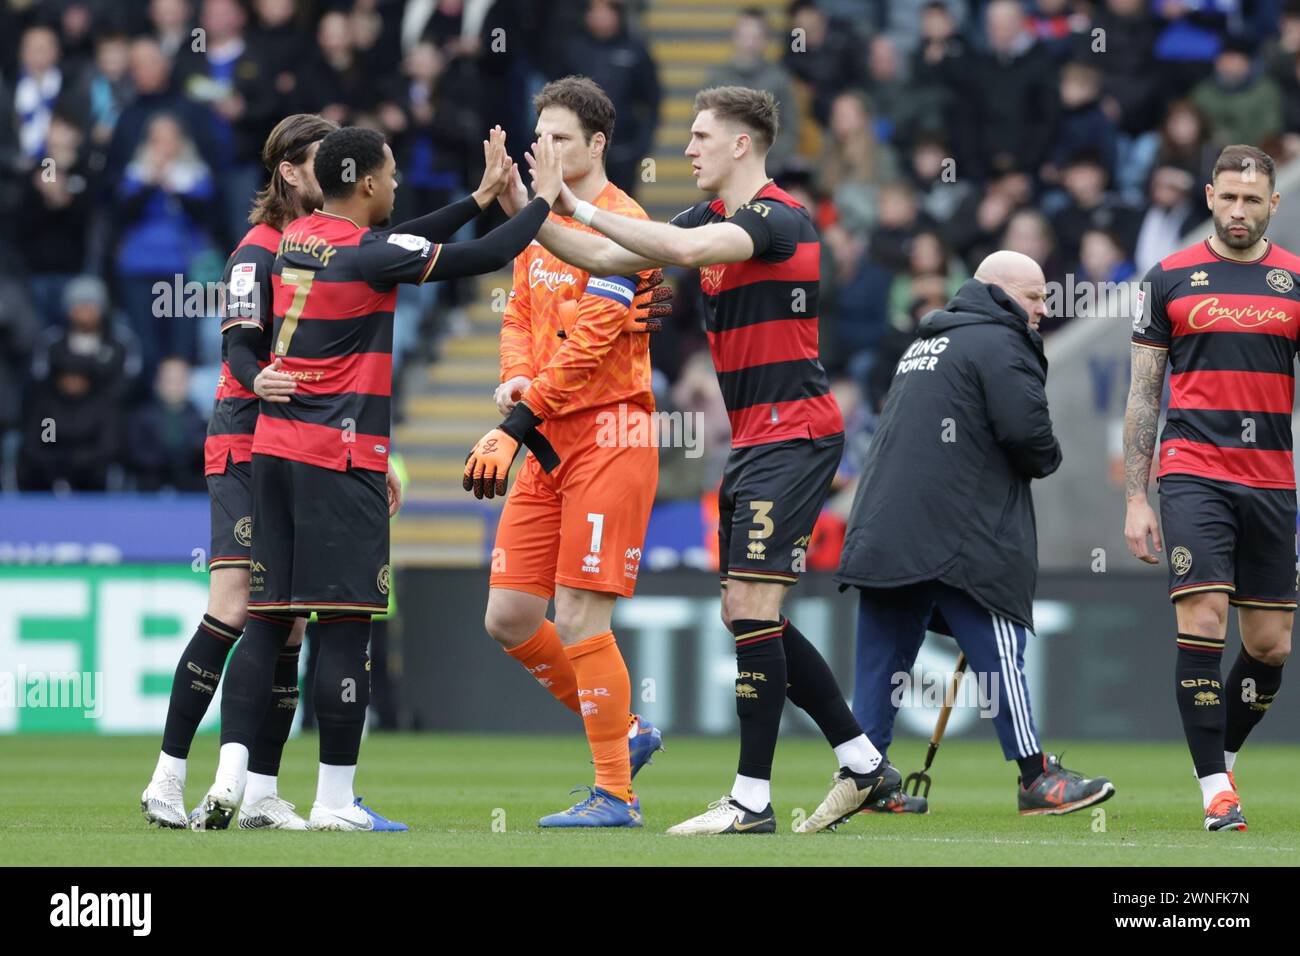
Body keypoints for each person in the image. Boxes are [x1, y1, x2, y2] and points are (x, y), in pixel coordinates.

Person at [510, 85, 898, 835]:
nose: (687, 149)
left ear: (742, 145)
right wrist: (530, 210)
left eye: (699, 136)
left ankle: (751, 801)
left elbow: (680, 252)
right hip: (753, 437)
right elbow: (601, 252)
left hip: (794, 431)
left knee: (751, 608)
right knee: (746, 611)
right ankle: (860, 760)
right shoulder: (706, 216)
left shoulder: (777, 218)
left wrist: (578, 202)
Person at [192, 123, 564, 832]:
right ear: (364, 182)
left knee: (268, 623)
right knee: (343, 628)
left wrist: (476, 197)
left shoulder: (297, 239)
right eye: (390, 176)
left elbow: (403, 241)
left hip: (272, 453)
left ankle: (239, 782)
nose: (395, 187)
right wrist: (538, 199)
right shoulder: (366, 254)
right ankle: (335, 802)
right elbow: (487, 255)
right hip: (338, 460)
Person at [838, 250, 1115, 817]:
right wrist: (1046, 453)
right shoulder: (999, 340)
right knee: (998, 643)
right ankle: (1036, 777)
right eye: (1034, 296)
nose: (1043, 308)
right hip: (954, 532)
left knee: (880, 660)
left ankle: (863, 778)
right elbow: (1029, 437)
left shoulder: (927, 341)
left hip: (883, 526)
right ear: (998, 292)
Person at [141, 113, 343, 830]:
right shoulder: (256, 252)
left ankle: (260, 792)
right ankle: (166, 778)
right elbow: (238, 352)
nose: (342, 173)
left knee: (287, 626)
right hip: (246, 441)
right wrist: (261, 383)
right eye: (328, 161)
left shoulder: (322, 247)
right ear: (290, 171)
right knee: (233, 605)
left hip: (297, 445)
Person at [485, 76, 671, 828]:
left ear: (596, 145)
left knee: (580, 614)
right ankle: (627, 733)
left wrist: (521, 415)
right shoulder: (538, 226)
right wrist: (514, 376)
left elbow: (595, 342)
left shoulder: (625, 226)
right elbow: (519, 311)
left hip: (608, 434)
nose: (547, 151)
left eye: (562, 138)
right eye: (542, 138)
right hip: (547, 436)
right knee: (508, 616)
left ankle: (616, 793)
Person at [1123, 145, 1295, 832]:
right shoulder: (1169, 278)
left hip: (1274, 481)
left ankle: (1218, 753)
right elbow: (1143, 394)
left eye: (1252, 200)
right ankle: (1215, 791)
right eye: (1228, 197)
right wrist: (1137, 496)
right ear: (1209, 196)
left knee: (1271, 645)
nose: (1238, 210)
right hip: (1193, 471)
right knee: (1202, 622)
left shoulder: (1296, 281)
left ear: (1272, 205)